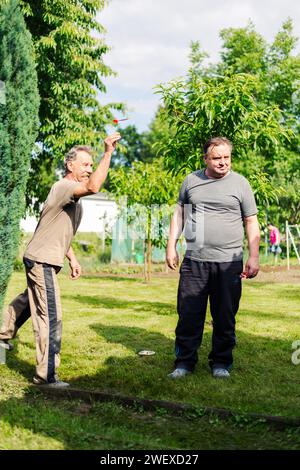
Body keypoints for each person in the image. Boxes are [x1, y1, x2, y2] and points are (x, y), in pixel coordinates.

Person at [0, 132, 121, 387]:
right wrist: (108, 153)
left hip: (41, 257)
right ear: (70, 165)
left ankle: (2, 336)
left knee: (28, 302)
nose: (89, 169)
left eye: (91, 164)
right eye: (86, 164)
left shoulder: (70, 195)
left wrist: (73, 259)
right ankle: (47, 376)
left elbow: (58, 231)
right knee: (50, 315)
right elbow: (94, 187)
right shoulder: (65, 187)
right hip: (42, 260)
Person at [166, 136, 260, 379]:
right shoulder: (191, 181)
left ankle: (221, 363)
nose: (222, 162)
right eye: (216, 158)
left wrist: (254, 256)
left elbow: (251, 221)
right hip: (195, 260)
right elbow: (179, 215)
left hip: (229, 261)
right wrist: (171, 245)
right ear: (205, 158)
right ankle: (184, 363)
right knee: (188, 314)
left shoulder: (241, 184)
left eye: (226, 157)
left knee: (225, 315)